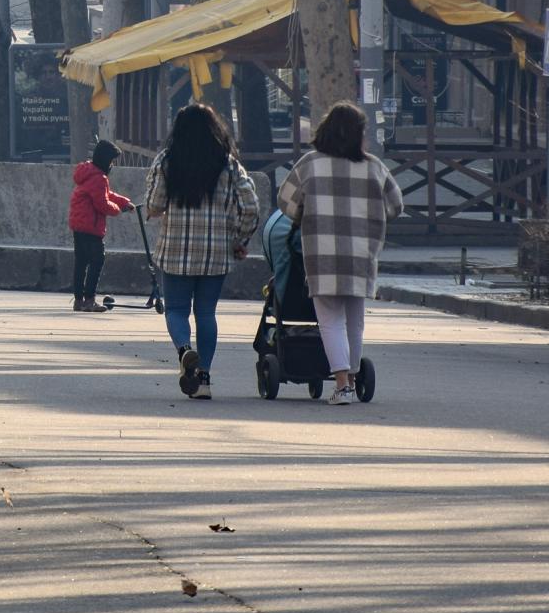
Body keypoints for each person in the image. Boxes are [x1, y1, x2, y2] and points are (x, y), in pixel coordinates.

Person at [277, 101, 403, 406]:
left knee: (330, 321)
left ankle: (343, 383)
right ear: (359, 134)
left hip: (323, 255)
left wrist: (306, 213)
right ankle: (354, 376)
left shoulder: (310, 164)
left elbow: (286, 203)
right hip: (361, 254)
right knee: (354, 322)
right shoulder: (374, 167)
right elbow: (396, 206)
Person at [144, 102, 260, 400]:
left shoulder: (166, 161)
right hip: (216, 252)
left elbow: (155, 205)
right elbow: (251, 206)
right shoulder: (228, 163)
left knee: (177, 310)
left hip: (175, 250)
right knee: (206, 312)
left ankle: (185, 351)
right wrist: (240, 239)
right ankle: (204, 378)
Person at [68, 139, 135, 312]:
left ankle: (78, 300)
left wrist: (124, 202)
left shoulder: (89, 173)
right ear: (106, 160)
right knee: (97, 260)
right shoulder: (98, 178)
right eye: (111, 161)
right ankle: (89, 299)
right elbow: (102, 204)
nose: (112, 165)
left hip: (79, 225)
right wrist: (118, 210)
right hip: (91, 227)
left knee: (81, 262)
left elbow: (106, 194)